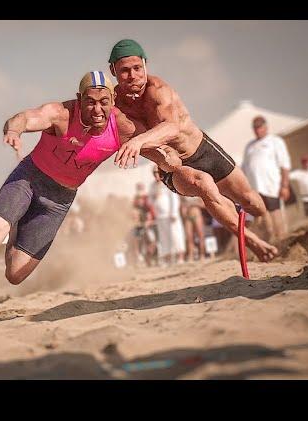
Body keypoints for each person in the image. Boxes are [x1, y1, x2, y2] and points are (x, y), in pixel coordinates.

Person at [0, 71, 182, 298]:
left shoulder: (123, 128)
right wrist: (14, 131)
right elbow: (24, 118)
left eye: (103, 102)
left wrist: (169, 160)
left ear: (113, 101)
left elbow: (165, 157)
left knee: (15, 274)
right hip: (28, 180)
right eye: (90, 101)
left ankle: (16, 224)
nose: (97, 109)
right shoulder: (61, 115)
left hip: (59, 200)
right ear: (79, 98)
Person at [108, 39, 278, 262]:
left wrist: (138, 142)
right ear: (113, 71)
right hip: (174, 165)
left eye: (137, 68)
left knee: (251, 201)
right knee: (205, 186)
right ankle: (251, 240)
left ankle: (277, 233)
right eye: (124, 71)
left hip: (202, 148)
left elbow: (171, 126)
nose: (132, 76)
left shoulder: (157, 90)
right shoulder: (114, 104)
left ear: (145, 65)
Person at [242, 115, 292, 240]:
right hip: (255, 189)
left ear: (265, 126)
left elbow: (285, 165)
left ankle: (281, 241)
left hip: (271, 186)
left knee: (276, 215)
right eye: (255, 127)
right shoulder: (250, 145)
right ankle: (270, 244)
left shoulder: (275, 141)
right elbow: (244, 168)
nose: (257, 130)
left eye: (259, 126)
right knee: (262, 218)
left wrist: (285, 186)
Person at [150, 168, 186, 266]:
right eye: (154, 173)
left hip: (170, 215)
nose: (155, 175)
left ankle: (180, 257)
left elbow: (174, 198)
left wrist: (174, 212)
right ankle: (168, 258)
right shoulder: (152, 186)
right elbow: (150, 201)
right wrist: (153, 199)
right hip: (160, 216)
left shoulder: (167, 182)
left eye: (157, 172)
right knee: (164, 237)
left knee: (176, 234)